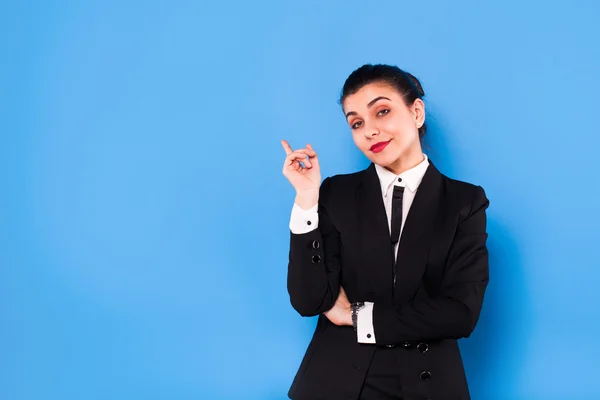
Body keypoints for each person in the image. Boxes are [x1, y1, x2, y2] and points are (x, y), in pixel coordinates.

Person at [281, 64, 490, 400]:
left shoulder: (464, 202)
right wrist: (307, 201)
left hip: (428, 383)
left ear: (416, 112)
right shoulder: (335, 193)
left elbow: (461, 313)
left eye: (382, 111)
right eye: (357, 122)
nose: (370, 131)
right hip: (335, 383)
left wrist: (356, 316)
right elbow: (310, 300)